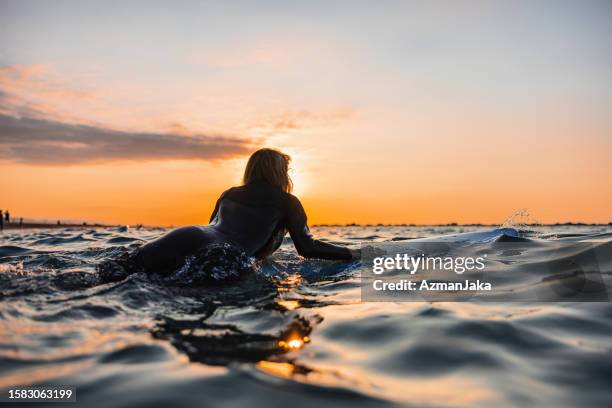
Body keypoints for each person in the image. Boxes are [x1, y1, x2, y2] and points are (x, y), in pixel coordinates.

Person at [133, 148, 360, 275]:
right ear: (281, 173)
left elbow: (215, 228)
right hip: (224, 255)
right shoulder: (287, 202)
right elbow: (308, 248)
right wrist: (356, 254)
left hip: (184, 235)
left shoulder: (229, 193)